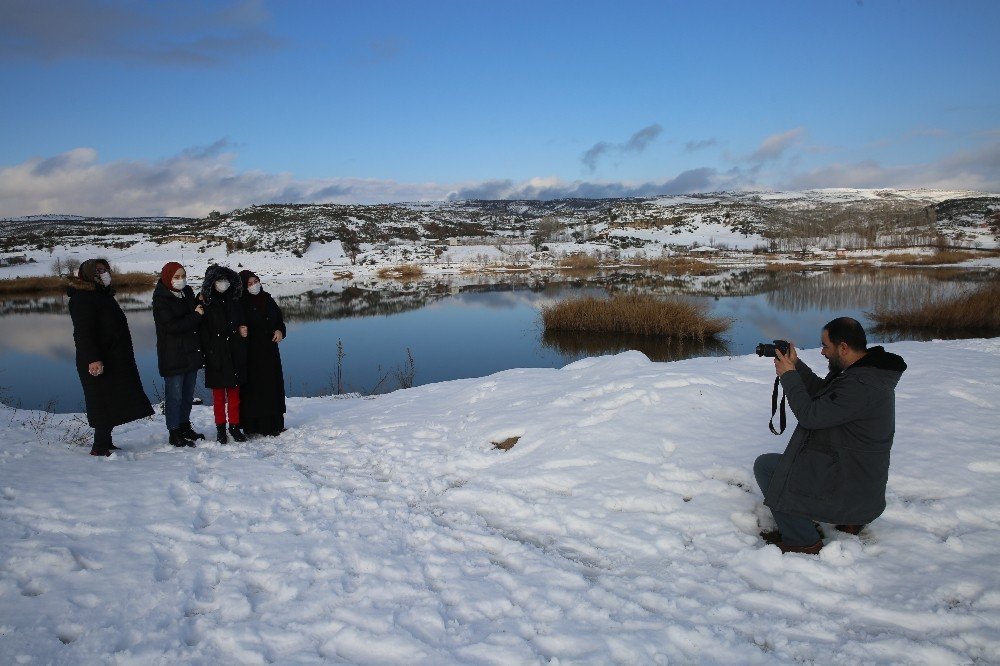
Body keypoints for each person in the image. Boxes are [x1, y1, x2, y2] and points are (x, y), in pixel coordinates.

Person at [753, 317, 907, 554]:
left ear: (843, 347)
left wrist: (788, 376)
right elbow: (822, 397)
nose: (823, 352)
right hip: (856, 481)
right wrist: (797, 366)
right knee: (792, 462)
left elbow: (810, 416)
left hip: (851, 488)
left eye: (826, 346)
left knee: (769, 468)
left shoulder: (861, 385)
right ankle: (850, 521)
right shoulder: (862, 373)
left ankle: (803, 542)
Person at [67, 259, 154, 456]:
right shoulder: (82, 298)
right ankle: (99, 447)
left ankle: (106, 442)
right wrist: (93, 358)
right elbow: (83, 333)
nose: (103, 273)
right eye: (98, 270)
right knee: (102, 400)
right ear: (88, 274)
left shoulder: (102, 295)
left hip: (112, 357)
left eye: (105, 269)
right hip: (97, 360)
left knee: (113, 398)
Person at [152, 261, 205, 448]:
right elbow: (172, 327)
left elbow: (192, 310)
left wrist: (199, 302)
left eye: (183, 276)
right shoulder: (161, 299)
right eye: (176, 277)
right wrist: (196, 316)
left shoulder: (187, 292)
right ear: (167, 277)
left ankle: (184, 425)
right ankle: (174, 431)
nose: (180, 280)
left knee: (188, 394)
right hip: (172, 355)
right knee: (174, 396)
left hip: (190, 353)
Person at [199, 264, 248, 443]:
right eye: (219, 280)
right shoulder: (206, 302)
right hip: (216, 355)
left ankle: (234, 427)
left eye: (226, 280)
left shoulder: (235, 300)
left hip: (234, 353)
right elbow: (202, 331)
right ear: (211, 283)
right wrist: (208, 352)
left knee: (234, 395)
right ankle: (220, 429)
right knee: (219, 396)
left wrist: (243, 330)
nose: (223, 283)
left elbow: (242, 321)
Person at [237, 270, 287, 436]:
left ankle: (275, 424)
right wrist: (240, 332)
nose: (254, 286)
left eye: (255, 281)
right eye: (249, 284)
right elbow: (236, 325)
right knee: (255, 389)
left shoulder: (268, 299)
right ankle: (254, 426)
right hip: (251, 353)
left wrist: (280, 331)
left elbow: (279, 321)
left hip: (270, 352)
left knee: (272, 387)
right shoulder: (240, 303)